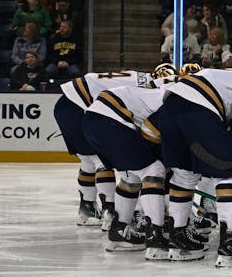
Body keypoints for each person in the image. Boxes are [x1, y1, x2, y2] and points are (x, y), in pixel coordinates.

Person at [147, 66, 232, 267]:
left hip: (170, 106)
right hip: (201, 107)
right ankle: (230, 243)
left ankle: (179, 240)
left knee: (183, 175)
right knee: (228, 174)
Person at [56, 67, 161, 227]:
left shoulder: (138, 76)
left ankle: (87, 209)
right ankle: (109, 211)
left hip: (65, 104)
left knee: (88, 161)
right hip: (81, 106)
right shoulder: (152, 87)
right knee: (101, 161)